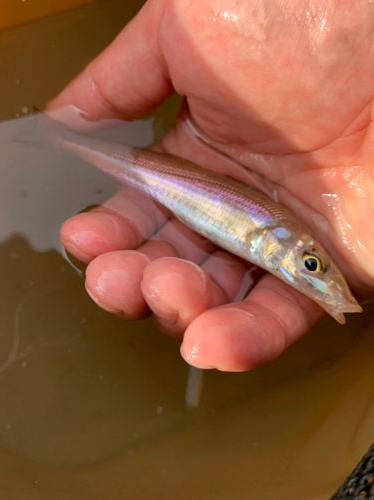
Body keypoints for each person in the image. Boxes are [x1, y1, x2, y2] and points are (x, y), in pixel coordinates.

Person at [47, 0, 374, 372]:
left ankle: (58, 139)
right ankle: (61, 139)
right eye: (310, 264)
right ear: (274, 238)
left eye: (311, 264)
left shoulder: (279, 235)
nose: (311, 270)